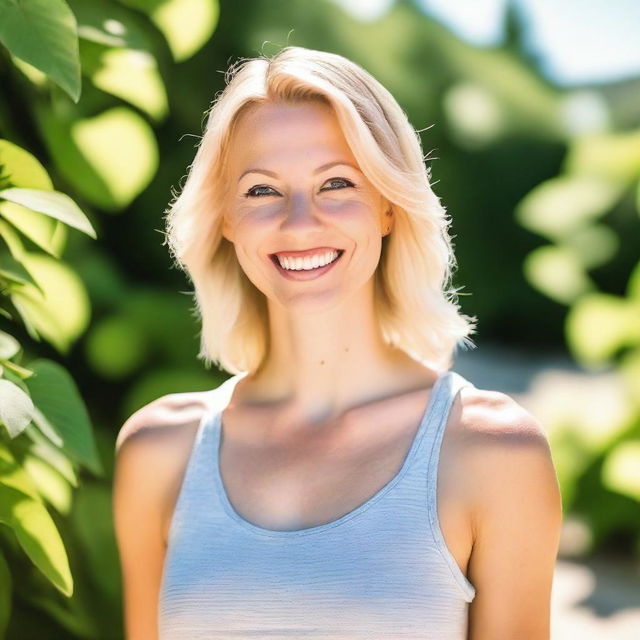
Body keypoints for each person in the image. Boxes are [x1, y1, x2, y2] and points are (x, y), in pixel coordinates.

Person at [112, 45, 563, 639]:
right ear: (224, 218)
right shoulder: (157, 452)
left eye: (337, 183)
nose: (300, 222)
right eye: (261, 190)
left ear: (387, 206)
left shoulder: (494, 453)